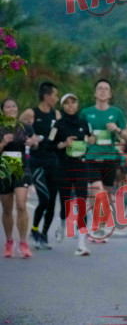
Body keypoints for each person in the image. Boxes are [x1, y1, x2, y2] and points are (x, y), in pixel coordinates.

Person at [80, 79, 127, 242]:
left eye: (106, 89)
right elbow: (78, 134)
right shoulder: (86, 113)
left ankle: (100, 226)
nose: (102, 91)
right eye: (99, 88)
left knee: (107, 195)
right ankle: (95, 226)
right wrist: (87, 139)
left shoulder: (116, 113)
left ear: (110, 94)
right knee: (97, 191)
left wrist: (116, 129)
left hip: (110, 158)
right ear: (95, 93)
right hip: (92, 157)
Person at [50, 94, 94, 256]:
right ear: (62, 106)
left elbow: (90, 138)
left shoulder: (84, 123)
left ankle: (81, 243)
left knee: (82, 202)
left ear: (77, 104)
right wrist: (63, 144)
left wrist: (91, 141)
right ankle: (62, 222)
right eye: (67, 103)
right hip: (64, 167)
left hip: (81, 166)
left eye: (73, 102)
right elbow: (49, 144)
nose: (70, 106)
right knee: (65, 203)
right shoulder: (57, 124)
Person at [24, 82, 61, 250]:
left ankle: (44, 234)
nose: (57, 99)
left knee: (52, 202)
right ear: (46, 96)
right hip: (37, 162)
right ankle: (34, 230)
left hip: (53, 161)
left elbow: (60, 134)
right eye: (55, 95)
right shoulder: (31, 113)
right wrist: (30, 140)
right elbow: (17, 130)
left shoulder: (57, 114)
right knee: (44, 199)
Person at [1, 97, 36, 258]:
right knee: (7, 208)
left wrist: (31, 142)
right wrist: (3, 143)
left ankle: (23, 242)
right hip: (4, 168)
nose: (11, 109)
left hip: (21, 166)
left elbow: (35, 143)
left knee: (21, 205)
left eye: (14, 106)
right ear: (3, 111)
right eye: (7, 107)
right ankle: (9, 241)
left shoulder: (25, 127)